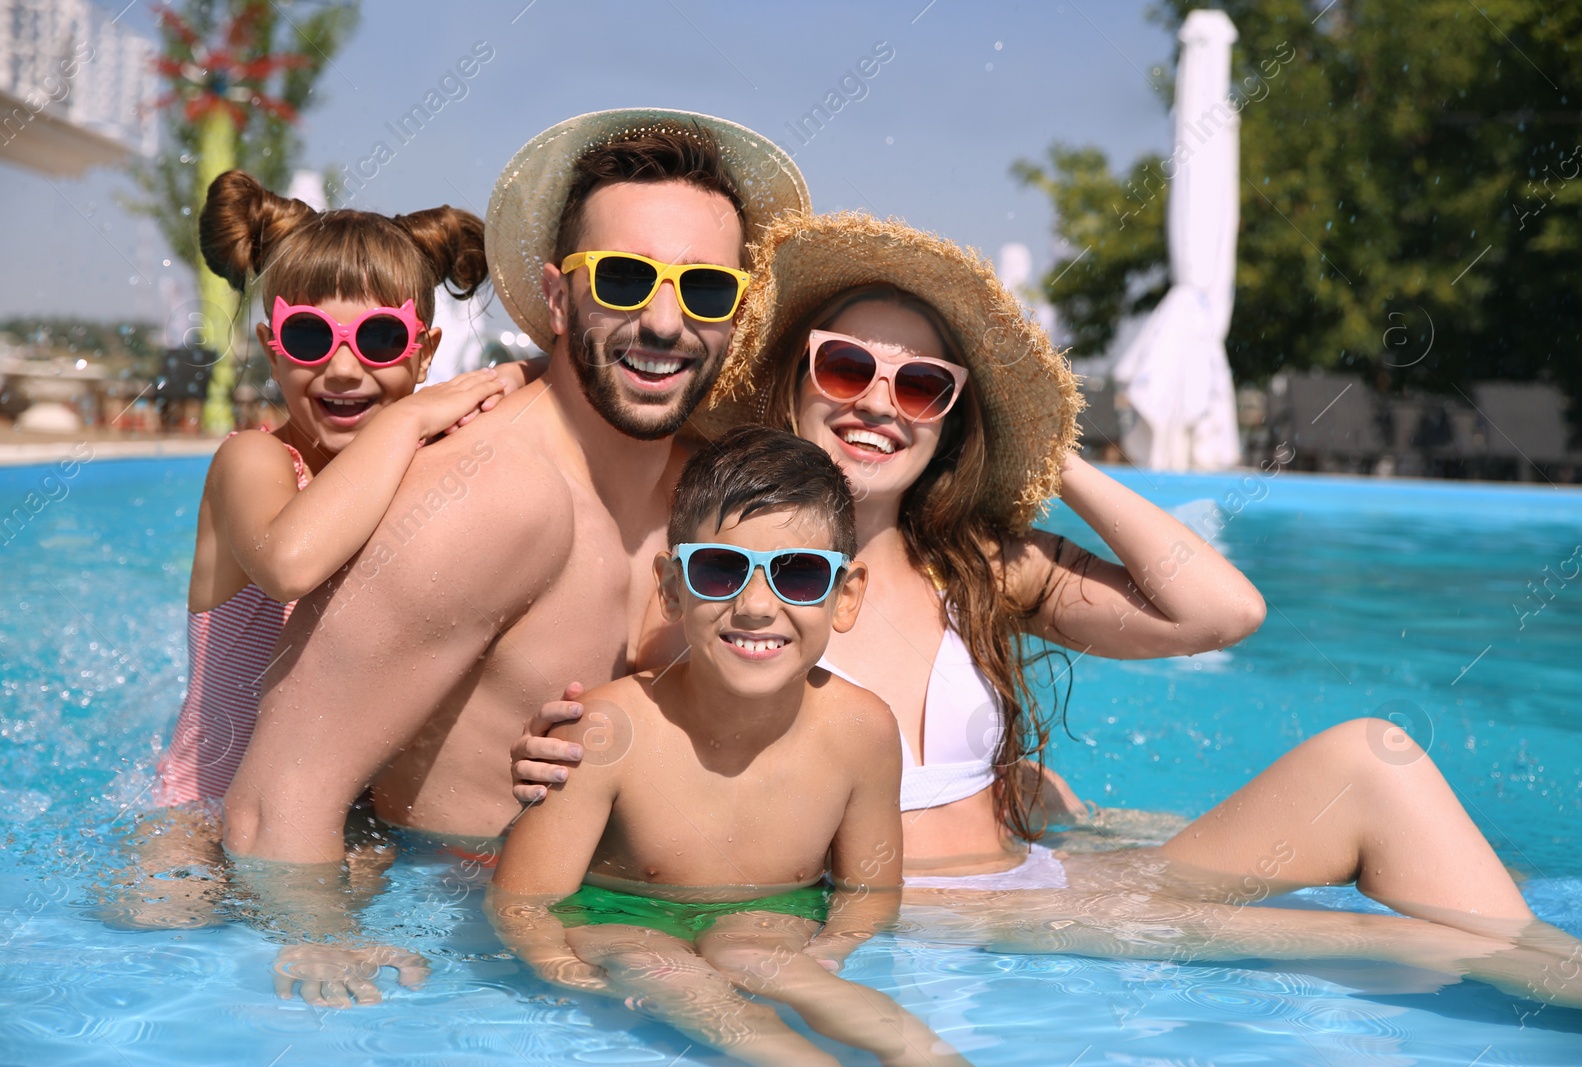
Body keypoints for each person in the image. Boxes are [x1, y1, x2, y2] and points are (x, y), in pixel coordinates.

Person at [514, 211, 1582, 1010]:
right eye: (846, 366)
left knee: (1375, 758)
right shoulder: (719, 584)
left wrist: (1055, 457)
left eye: (922, 385)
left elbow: (1221, 611)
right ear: (793, 380)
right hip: (951, 910)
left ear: (950, 415)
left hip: (1052, 875)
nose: (877, 403)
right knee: (1396, 942)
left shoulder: (980, 564)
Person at [219, 111, 808, 1005]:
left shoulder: (714, 491)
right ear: (558, 295)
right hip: (451, 937)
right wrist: (319, 943)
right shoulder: (493, 499)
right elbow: (281, 795)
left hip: (622, 910)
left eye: (705, 292)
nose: (663, 322)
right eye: (623, 279)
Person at [490, 425, 967, 1067]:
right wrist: (566, 972)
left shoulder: (862, 732)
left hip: (771, 921)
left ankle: (930, 1058)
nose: (755, 607)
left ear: (845, 596)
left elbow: (871, 894)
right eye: (719, 568)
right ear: (671, 586)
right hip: (619, 918)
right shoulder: (606, 731)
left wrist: (833, 949)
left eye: (798, 575)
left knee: (758, 956)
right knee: (656, 961)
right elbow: (524, 905)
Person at [111, 169, 508, 932]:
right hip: (207, 798)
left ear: (424, 352)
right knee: (160, 913)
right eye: (309, 336)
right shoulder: (251, 464)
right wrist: (407, 421)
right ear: (271, 345)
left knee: (360, 908)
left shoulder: (430, 480)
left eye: (381, 338)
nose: (344, 367)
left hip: (336, 805)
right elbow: (292, 562)